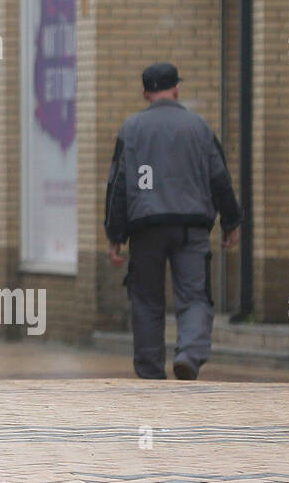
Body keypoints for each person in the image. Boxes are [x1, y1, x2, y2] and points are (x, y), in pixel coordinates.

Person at [104, 62, 242, 380]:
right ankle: (190, 354)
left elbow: (118, 186)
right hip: (191, 227)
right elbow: (220, 178)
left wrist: (115, 234)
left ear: (144, 93)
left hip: (146, 227)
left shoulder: (131, 128)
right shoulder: (199, 127)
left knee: (146, 298)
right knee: (194, 295)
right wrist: (231, 221)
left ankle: (151, 369)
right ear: (176, 90)